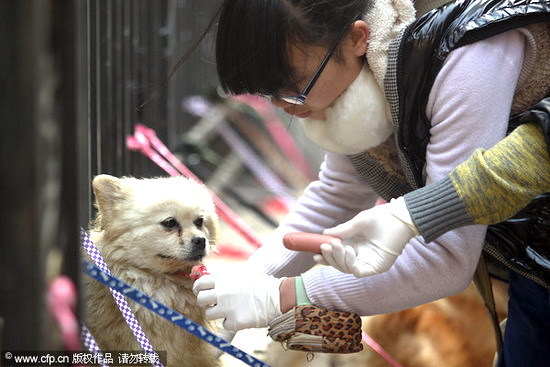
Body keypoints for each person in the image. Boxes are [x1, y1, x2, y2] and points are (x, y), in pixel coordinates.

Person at [193, 1, 550, 366]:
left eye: (293, 86)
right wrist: (246, 281)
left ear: (357, 38)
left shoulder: (468, 57)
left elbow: (446, 257)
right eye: (269, 94)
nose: (284, 106)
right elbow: (337, 194)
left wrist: (282, 296)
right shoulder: (361, 84)